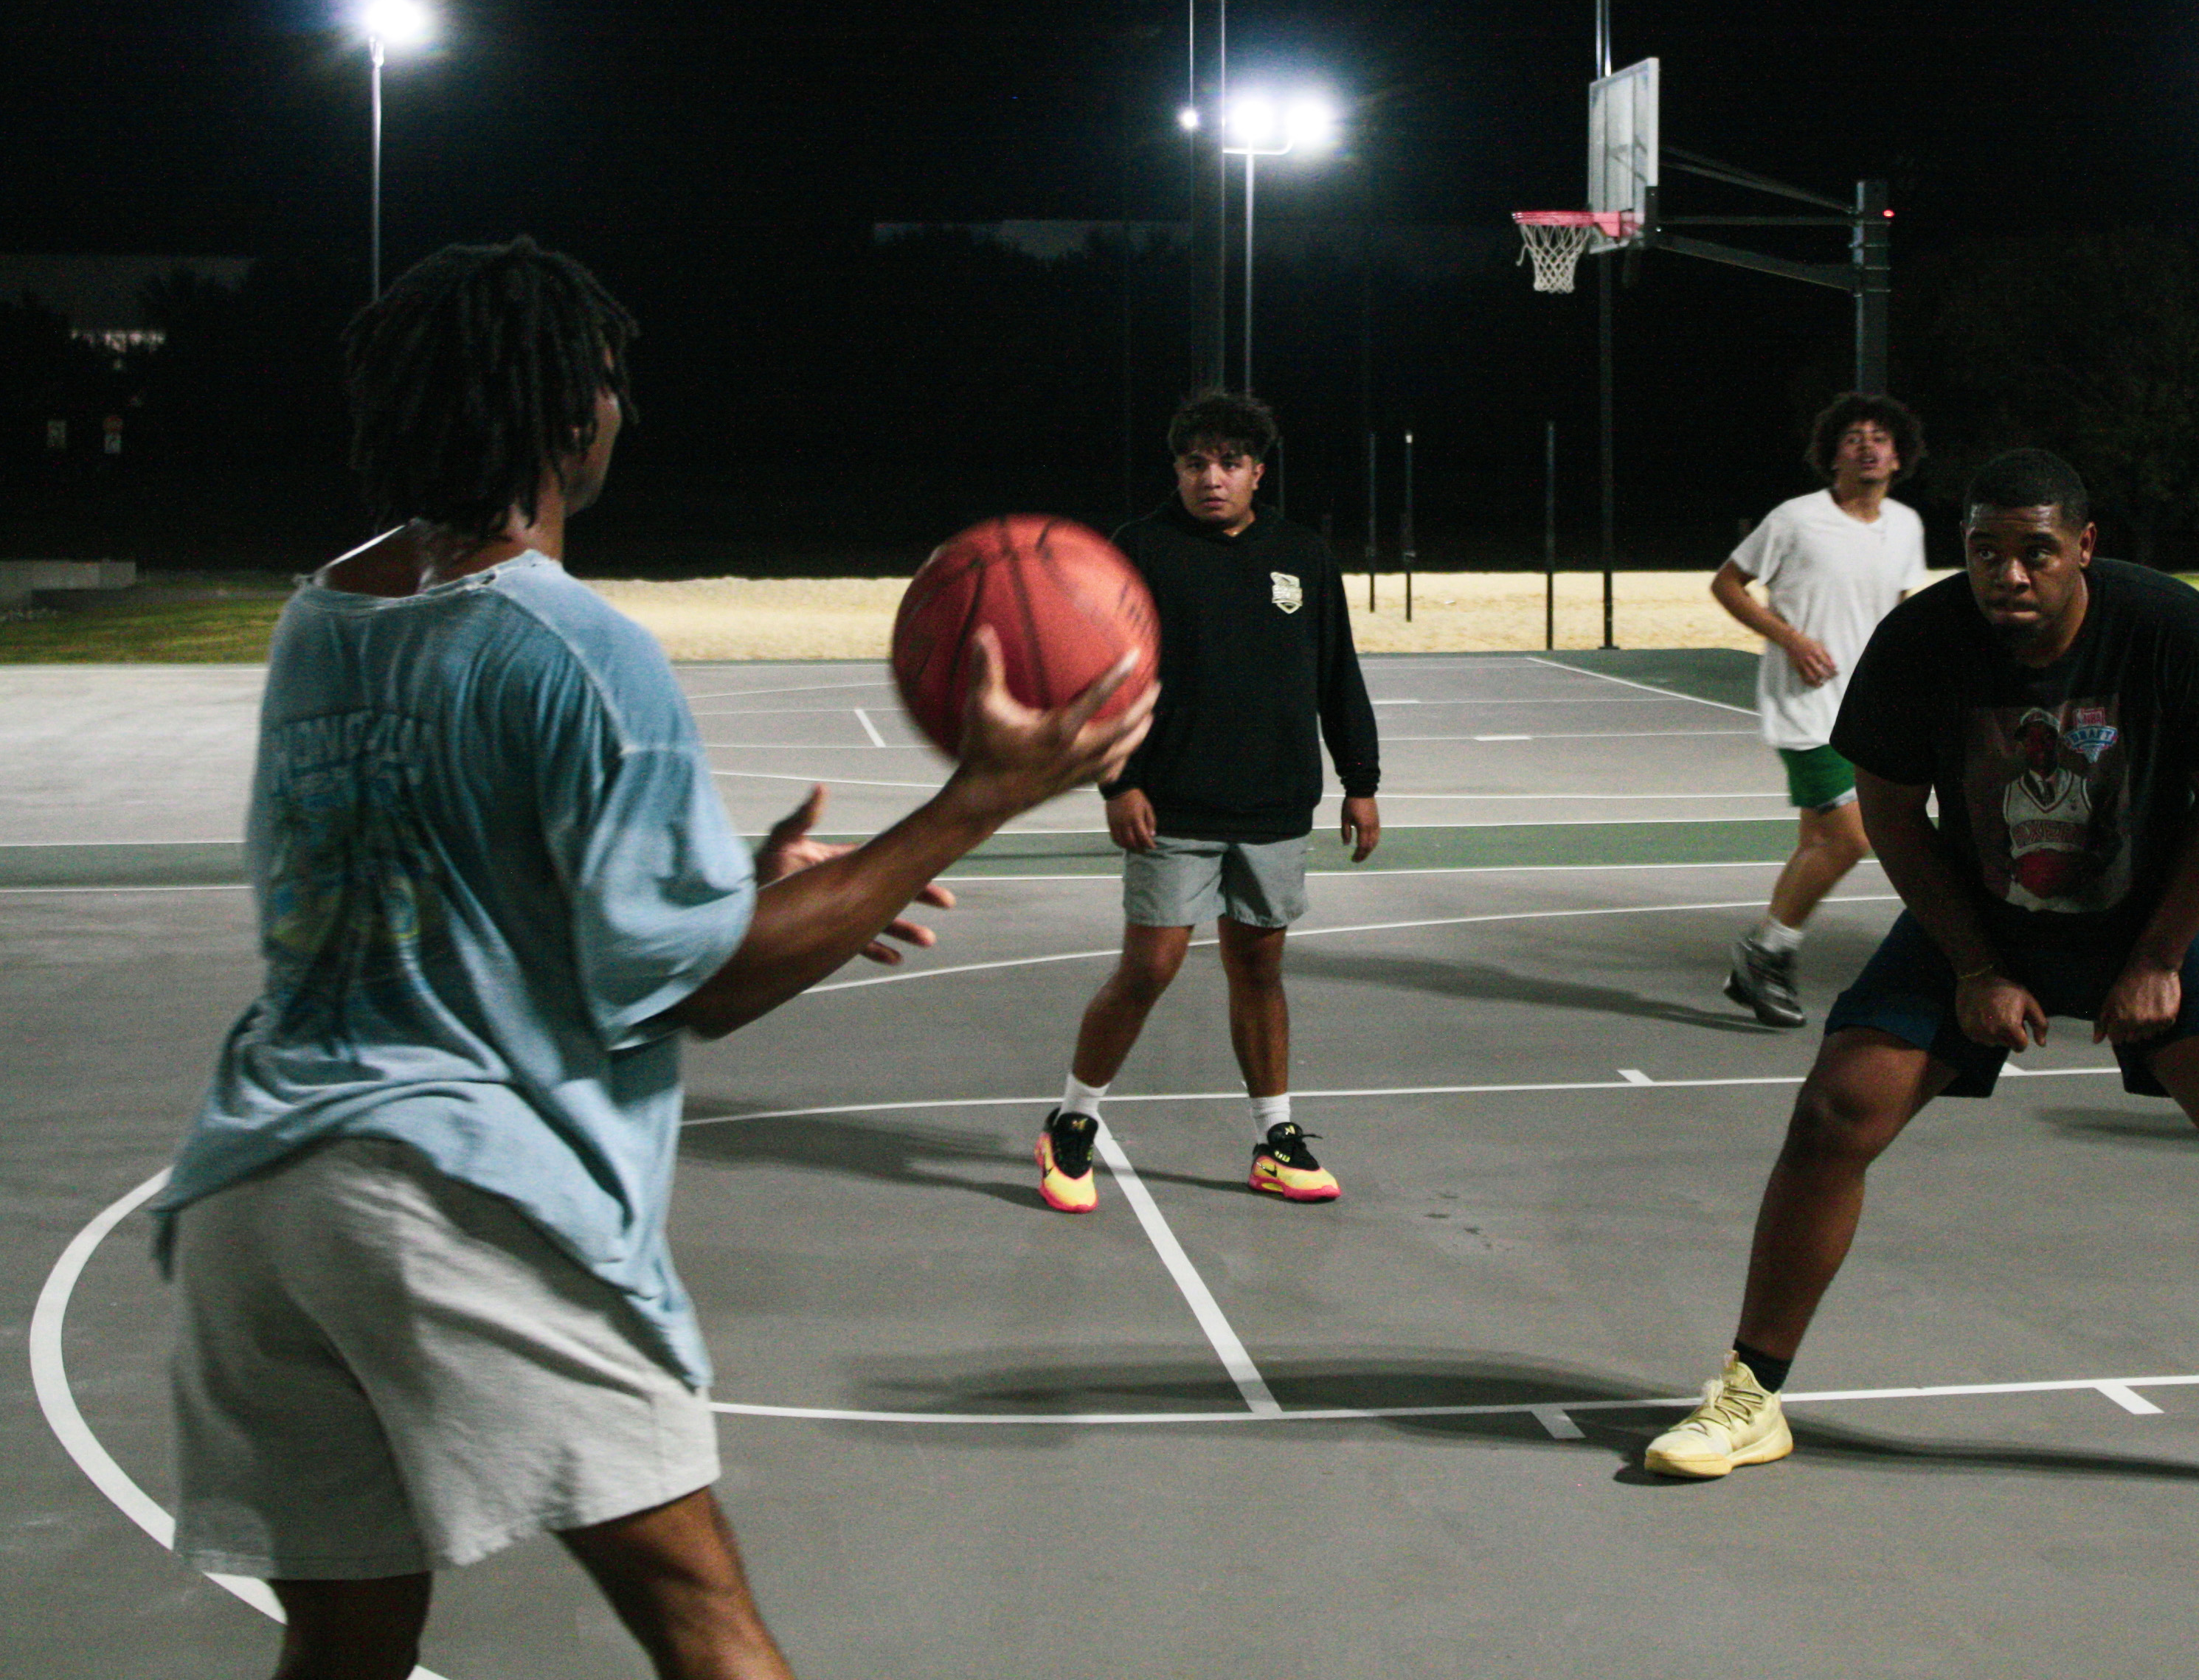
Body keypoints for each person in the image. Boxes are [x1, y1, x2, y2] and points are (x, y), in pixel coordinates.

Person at [150, 239, 1153, 1679]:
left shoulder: (323, 616)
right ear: (568, 414)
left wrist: (730, 892)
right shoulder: (574, 646)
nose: (623, 410)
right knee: (698, 1610)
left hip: (257, 1195)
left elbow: (444, 883)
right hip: (454, 1194)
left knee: (347, 1640)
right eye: (609, 383)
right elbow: (703, 986)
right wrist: (973, 801)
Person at [1644, 449, 2199, 1521]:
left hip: (2147, 907)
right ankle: (1751, 1396)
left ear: (2084, 548)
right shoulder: (1924, 641)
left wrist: (2162, 957)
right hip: (1982, 911)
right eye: (1986, 551)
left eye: (2035, 551)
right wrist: (1977, 965)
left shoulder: (2166, 626)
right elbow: (1890, 815)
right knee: (1835, 1110)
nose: (2009, 575)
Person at [1036, 389, 1380, 1214]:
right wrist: (1118, 782)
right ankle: (1072, 1121)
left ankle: (1275, 1135)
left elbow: (1337, 672)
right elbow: (1104, 682)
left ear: (1258, 471)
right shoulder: (1141, 551)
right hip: (1173, 805)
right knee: (1149, 966)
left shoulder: (1302, 553)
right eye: (1196, 463)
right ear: (1178, 471)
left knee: (1259, 965)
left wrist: (1360, 781)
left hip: (1272, 803)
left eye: (1230, 463)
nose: (1212, 478)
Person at [1710, 393, 1928, 1027]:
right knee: (1854, 836)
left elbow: (1894, 613)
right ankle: (1768, 950)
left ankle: (1762, 961)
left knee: (1819, 842)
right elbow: (1727, 583)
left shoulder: (1906, 527)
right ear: (1833, 453)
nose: (1868, 446)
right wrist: (1792, 639)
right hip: (1805, 707)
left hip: (1863, 708)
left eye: (1880, 437)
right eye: (1855, 437)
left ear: (1898, 455)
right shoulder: (1795, 519)